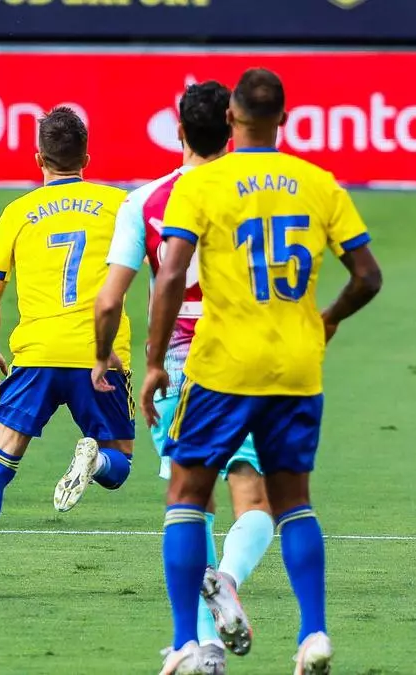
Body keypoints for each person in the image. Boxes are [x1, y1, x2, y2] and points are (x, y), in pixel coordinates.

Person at [144, 68, 383, 675]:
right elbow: (367, 277)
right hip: (296, 365)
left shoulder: (203, 182)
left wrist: (152, 362)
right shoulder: (318, 183)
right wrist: (328, 319)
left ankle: (186, 642)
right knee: (292, 501)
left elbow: (170, 275)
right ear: (285, 118)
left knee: (186, 495)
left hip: (222, 363)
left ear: (230, 118)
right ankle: (313, 634)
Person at [94, 80, 273, 664]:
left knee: (189, 503)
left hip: (174, 361)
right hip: (245, 356)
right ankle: (228, 580)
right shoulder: (258, 194)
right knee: (253, 494)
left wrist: (105, 354)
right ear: (232, 127)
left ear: (178, 130)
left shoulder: (144, 201)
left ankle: (199, 645)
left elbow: (110, 299)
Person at [0, 107, 134, 598]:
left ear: (39, 158)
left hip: (36, 353)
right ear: (87, 158)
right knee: (118, 462)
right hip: (101, 355)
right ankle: (94, 463)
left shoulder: (18, 211)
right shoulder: (120, 205)